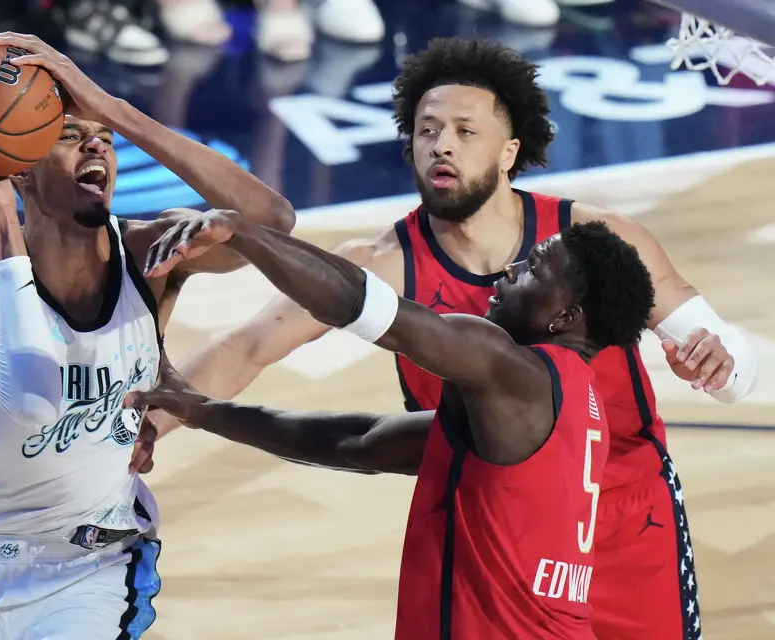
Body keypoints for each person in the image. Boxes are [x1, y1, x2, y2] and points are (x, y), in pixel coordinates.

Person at [144, 37, 758, 639]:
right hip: (489, 529)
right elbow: (270, 368)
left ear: (510, 150)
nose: (442, 145)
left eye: (466, 131)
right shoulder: (391, 261)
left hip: (628, 523)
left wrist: (720, 362)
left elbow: (735, 369)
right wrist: (150, 426)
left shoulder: (592, 249)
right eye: (428, 128)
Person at [0, 33, 296, 640]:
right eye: (70, 136)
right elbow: (34, 395)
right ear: (18, 165)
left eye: (103, 140)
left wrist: (112, 109)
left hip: (94, 561)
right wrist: (3, 220)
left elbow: (276, 224)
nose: (97, 149)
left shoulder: (150, 251)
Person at [130, 211, 655, 638]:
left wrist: (244, 234)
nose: (510, 270)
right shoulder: (566, 404)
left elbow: (367, 307)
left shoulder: (514, 373)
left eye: (535, 268)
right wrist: (201, 409)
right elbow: (358, 443)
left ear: (565, 318)